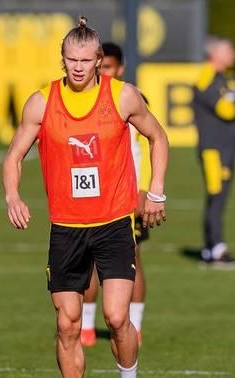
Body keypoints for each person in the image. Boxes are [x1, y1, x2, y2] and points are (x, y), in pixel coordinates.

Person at [2, 17, 168, 378]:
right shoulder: (42, 102)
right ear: (63, 59)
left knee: (116, 316)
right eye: (71, 60)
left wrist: (156, 191)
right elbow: (15, 154)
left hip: (114, 223)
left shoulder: (122, 96)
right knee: (68, 324)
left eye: (85, 60)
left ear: (99, 60)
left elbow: (158, 137)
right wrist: (13, 196)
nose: (78, 67)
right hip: (66, 228)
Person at [81, 42, 152, 348]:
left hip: (127, 197)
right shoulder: (87, 99)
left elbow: (149, 145)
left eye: (108, 67)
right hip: (94, 196)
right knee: (88, 261)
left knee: (131, 258)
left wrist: (145, 190)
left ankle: (135, 324)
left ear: (120, 68)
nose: (104, 72)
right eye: (101, 66)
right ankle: (85, 326)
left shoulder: (130, 98)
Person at [192, 36, 235, 268]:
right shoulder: (206, 77)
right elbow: (226, 110)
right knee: (216, 198)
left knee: (220, 199)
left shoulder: (228, 78)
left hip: (228, 148)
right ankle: (216, 249)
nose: (233, 54)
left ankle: (211, 248)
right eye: (229, 50)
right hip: (212, 150)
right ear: (215, 53)